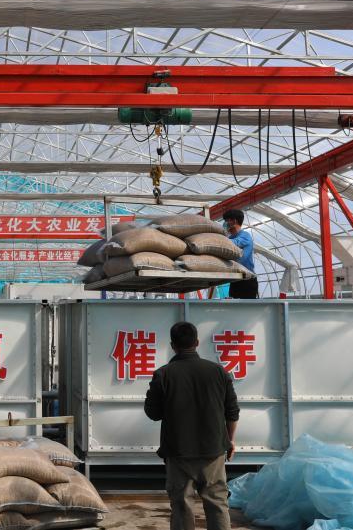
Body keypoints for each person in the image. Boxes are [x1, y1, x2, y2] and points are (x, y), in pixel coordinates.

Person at [144, 321, 240, 530]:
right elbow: (232, 412)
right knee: (217, 504)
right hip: (213, 451)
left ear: (173, 345)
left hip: (178, 452)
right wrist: (230, 440)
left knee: (181, 505)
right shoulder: (218, 371)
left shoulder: (163, 374)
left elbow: (153, 413)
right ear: (197, 342)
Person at [222, 209, 257, 299]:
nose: (225, 223)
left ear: (234, 221)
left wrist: (220, 239)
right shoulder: (230, 237)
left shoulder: (245, 236)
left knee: (245, 306)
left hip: (247, 280)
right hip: (235, 279)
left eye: (226, 220)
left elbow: (234, 243)